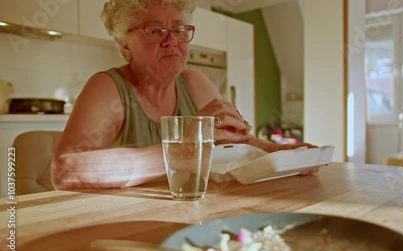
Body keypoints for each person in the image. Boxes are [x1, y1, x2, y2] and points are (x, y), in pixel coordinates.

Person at [51, 0, 316, 190]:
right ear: (125, 44)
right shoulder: (108, 87)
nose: (172, 41)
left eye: (178, 30)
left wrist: (284, 153)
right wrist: (184, 151)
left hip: (186, 212)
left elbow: (238, 139)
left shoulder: (194, 82)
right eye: (155, 31)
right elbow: (65, 169)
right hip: (121, 221)